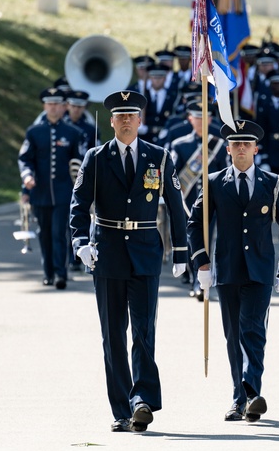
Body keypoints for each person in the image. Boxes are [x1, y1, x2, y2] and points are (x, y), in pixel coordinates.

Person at [69, 90, 189, 433]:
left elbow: (176, 207)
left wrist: (181, 252)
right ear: (111, 122)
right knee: (113, 335)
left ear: (140, 120)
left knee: (143, 331)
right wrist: (80, 242)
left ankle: (143, 401)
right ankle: (122, 409)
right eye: (119, 116)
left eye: (131, 115)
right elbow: (78, 206)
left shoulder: (159, 157)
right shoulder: (96, 157)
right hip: (107, 253)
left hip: (146, 251)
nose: (125, 121)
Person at [187, 120, 279, 423]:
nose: (241, 149)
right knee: (233, 335)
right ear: (229, 149)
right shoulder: (213, 182)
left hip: (260, 270)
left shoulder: (272, 183)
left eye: (247, 144)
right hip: (228, 270)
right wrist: (202, 263)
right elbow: (196, 224)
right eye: (236, 144)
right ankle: (240, 398)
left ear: (256, 149)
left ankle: (251, 394)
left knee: (253, 330)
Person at [18, 87, 87, 289]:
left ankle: (60, 273)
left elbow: (80, 161)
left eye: (57, 104)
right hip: (39, 193)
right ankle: (47, 272)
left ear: (63, 106)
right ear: (44, 106)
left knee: (59, 233)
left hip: (64, 192)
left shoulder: (73, 133)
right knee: (44, 233)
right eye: (50, 104)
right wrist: (27, 177)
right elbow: (25, 159)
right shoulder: (34, 132)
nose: (53, 108)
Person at [169, 101, 230, 297]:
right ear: (190, 119)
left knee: (207, 239)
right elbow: (174, 175)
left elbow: (225, 173)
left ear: (210, 119)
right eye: (197, 117)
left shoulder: (219, 145)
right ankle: (190, 273)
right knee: (190, 238)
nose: (201, 121)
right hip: (188, 201)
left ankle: (200, 280)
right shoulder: (180, 145)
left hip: (211, 201)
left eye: (204, 117)